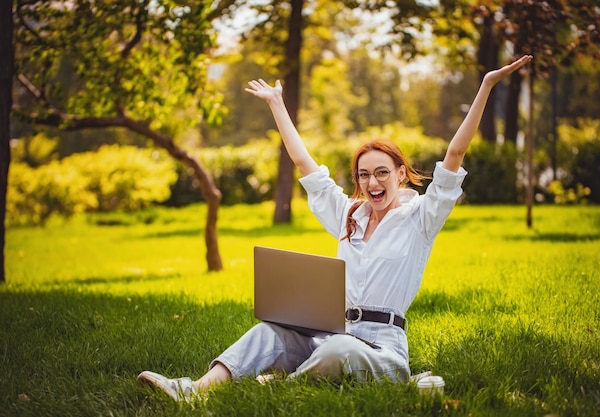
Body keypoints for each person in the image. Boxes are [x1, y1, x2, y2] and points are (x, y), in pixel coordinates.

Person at [137, 55, 533, 401]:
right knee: (269, 332)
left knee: (338, 351)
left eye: (382, 173)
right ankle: (193, 391)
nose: (373, 183)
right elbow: (304, 163)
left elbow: (454, 153)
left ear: (400, 174)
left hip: (381, 349)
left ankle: (285, 388)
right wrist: (277, 104)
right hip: (327, 334)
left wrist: (485, 86)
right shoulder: (347, 215)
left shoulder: (421, 218)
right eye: (364, 176)